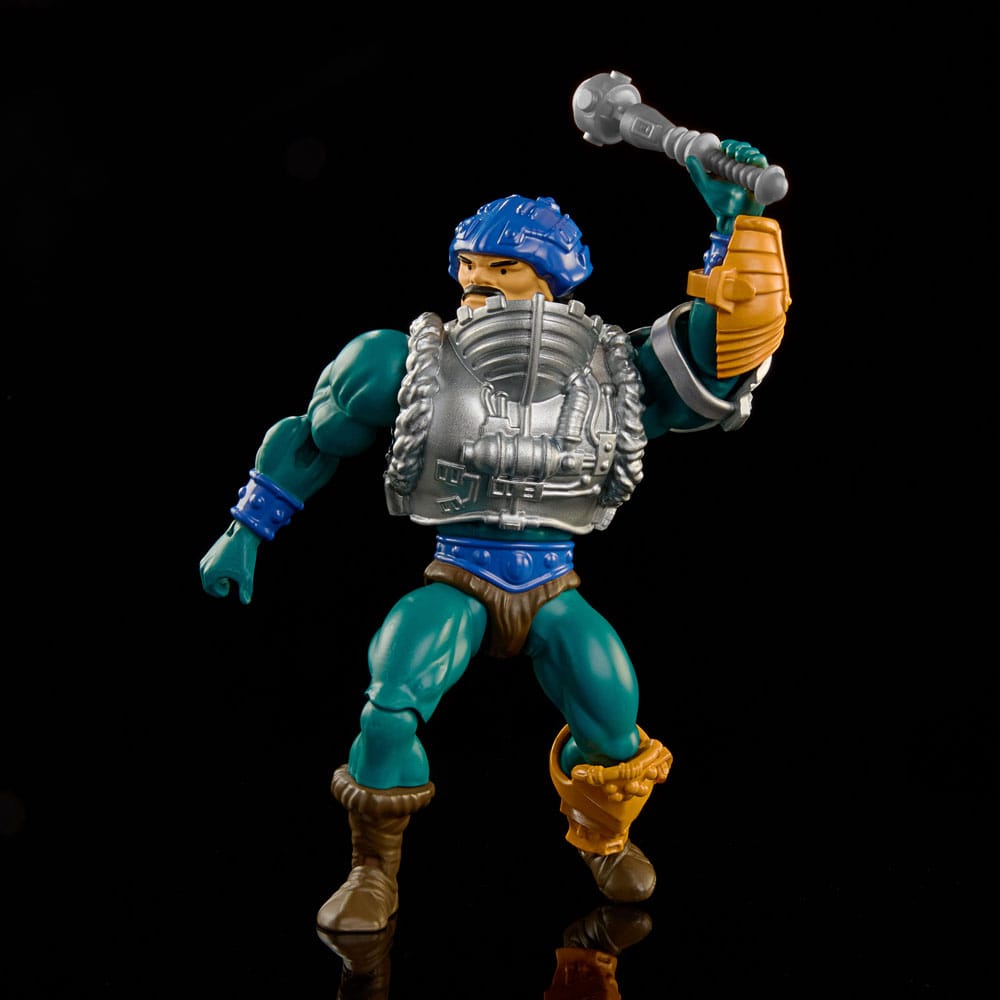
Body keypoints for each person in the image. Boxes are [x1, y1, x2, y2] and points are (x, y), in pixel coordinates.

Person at [199, 139, 791, 934]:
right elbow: (312, 435)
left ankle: (605, 838)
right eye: (470, 266)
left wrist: (736, 229)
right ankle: (372, 869)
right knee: (388, 707)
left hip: (552, 578)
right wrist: (246, 528)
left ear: (551, 277)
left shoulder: (615, 371)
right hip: (458, 573)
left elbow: (722, 356)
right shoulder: (406, 361)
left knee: (615, 727)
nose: (479, 280)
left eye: (504, 267)